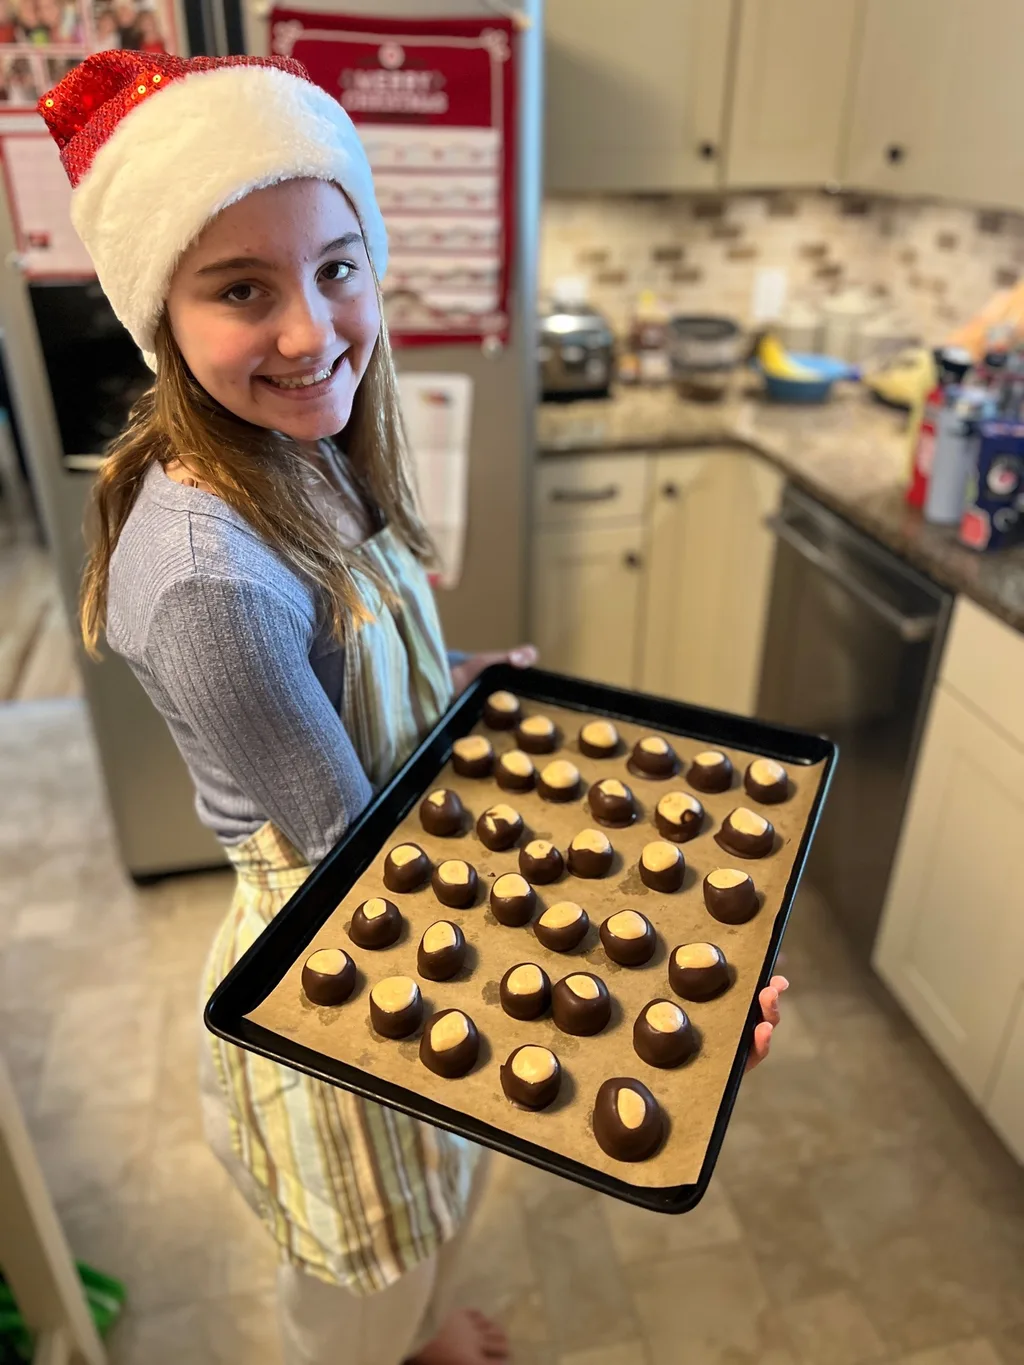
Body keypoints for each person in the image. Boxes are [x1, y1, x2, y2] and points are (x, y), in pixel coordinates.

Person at [39, 51, 787, 1365]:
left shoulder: (304, 449)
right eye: (240, 289)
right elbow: (367, 879)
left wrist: (474, 698)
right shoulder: (208, 574)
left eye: (337, 265)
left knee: (441, 1214)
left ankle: (425, 1336)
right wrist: (658, 986)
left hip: (399, 858)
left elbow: (372, 690)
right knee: (355, 1294)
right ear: (161, 310)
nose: (310, 329)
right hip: (340, 957)